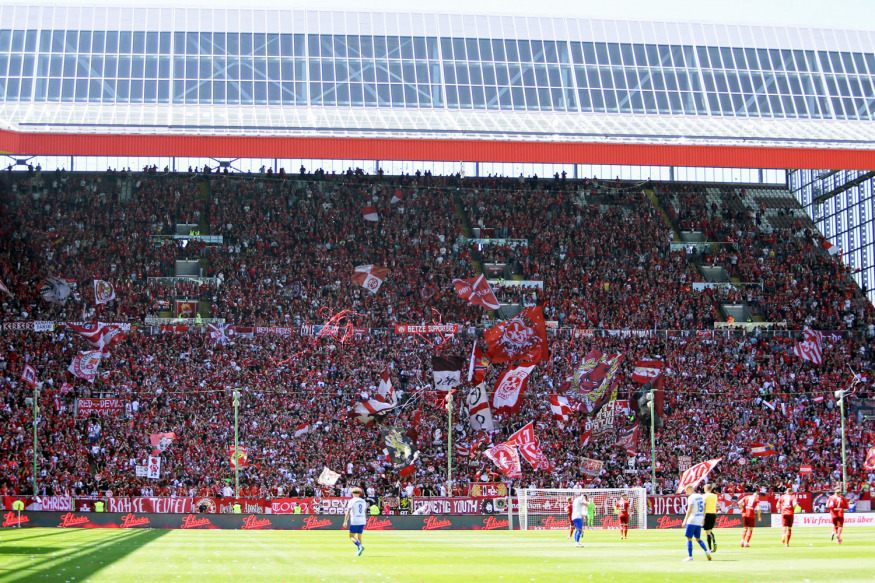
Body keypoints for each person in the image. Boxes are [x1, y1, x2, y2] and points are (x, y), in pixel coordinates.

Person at [681, 485, 711, 562]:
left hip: (692, 520)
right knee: (698, 538)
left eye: (686, 491)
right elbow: (704, 508)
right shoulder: (701, 496)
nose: (686, 493)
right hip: (699, 520)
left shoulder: (691, 498)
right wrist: (703, 518)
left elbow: (689, 509)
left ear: (690, 489)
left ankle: (690, 556)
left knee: (689, 538)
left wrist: (685, 520)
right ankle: (706, 551)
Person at [343, 487, 368, 556]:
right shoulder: (363, 501)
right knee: (359, 537)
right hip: (362, 519)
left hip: (355, 520)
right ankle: (358, 552)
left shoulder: (352, 501)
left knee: (351, 536)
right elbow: (365, 511)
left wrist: (345, 521)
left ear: (352, 493)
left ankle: (360, 546)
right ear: (359, 494)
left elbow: (348, 511)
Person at [702, 483, 718, 553]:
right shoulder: (715, 496)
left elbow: (704, 507)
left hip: (707, 514)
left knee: (707, 532)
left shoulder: (704, 496)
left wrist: (703, 517)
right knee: (710, 530)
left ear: (706, 489)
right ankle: (714, 542)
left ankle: (710, 548)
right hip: (714, 513)